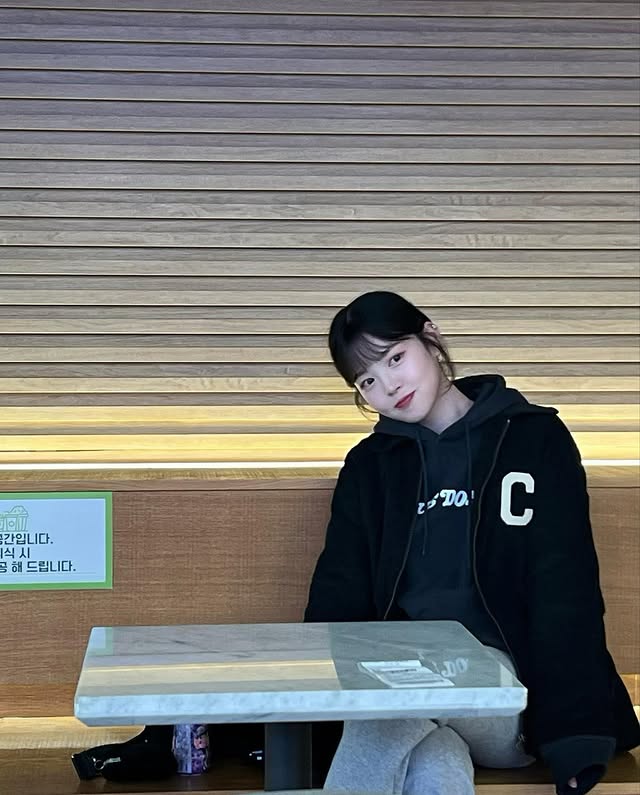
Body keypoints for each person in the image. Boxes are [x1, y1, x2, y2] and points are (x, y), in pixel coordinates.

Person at [304, 291, 639, 795]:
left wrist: (576, 733)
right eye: (366, 381)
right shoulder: (370, 466)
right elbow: (339, 589)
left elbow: (565, 584)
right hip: (400, 678)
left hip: (504, 690)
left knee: (396, 707)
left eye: (395, 358)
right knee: (434, 757)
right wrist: (311, 714)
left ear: (430, 337)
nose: (388, 386)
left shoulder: (532, 439)